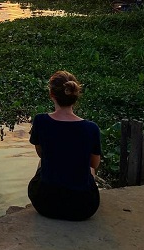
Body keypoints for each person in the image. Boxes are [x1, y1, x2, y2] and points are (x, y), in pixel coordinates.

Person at [27, 71, 101, 221]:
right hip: (83, 208)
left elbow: (42, 153)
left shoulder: (40, 121)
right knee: (90, 170)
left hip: (45, 204)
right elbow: (93, 164)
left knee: (43, 162)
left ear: (51, 94)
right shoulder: (91, 128)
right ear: (75, 96)